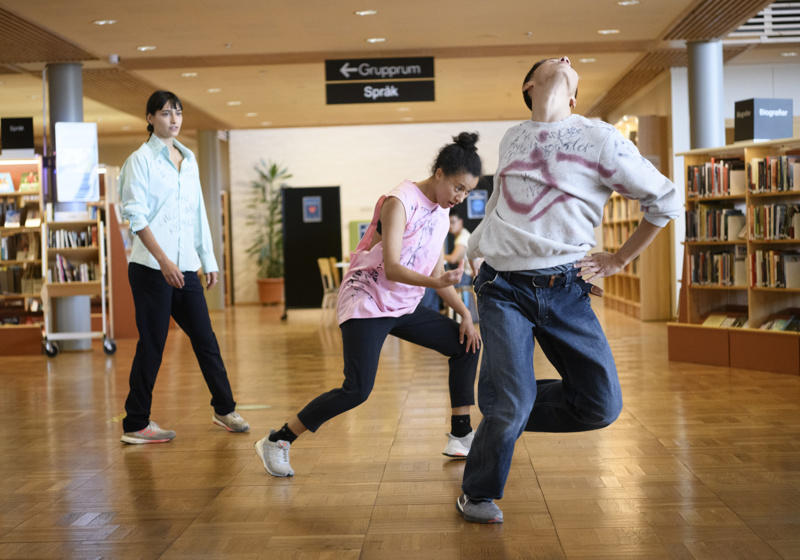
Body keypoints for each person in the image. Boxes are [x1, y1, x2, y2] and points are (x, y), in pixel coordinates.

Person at [456, 57, 681, 523]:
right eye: (551, 62)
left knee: (600, 405)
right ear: (529, 84)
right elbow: (498, 201)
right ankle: (478, 491)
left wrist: (620, 258)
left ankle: (502, 411)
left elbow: (665, 200)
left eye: (570, 64)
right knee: (511, 402)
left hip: (565, 289)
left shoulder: (601, 137)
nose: (564, 59)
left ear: (575, 97)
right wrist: (475, 248)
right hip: (500, 287)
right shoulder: (513, 135)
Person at [255, 132, 484, 477]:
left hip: (401, 305)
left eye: (467, 192)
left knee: (466, 344)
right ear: (440, 173)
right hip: (366, 301)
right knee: (357, 389)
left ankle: (461, 434)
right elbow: (392, 267)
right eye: (458, 187)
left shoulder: (439, 214)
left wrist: (465, 313)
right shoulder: (399, 201)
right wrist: (437, 284)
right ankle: (278, 440)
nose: (460, 198)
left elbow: (436, 272)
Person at [119, 90, 249, 444]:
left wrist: (207, 259)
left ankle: (224, 408)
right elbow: (135, 216)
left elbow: (197, 214)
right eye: (164, 113)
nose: (173, 119)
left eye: (177, 113)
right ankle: (136, 423)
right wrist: (164, 262)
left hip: (186, 268)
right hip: (151, 268)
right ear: (150, 118)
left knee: (205, 339)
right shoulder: (140, 161)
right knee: (153, 343)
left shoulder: (188, 161)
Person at [443, 214, 478, 321]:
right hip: (469, 274)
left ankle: (449, 314)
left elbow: (453, 259)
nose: (450, 226)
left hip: (467, 277)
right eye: (449, 223)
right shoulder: (462, 235)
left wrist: (437, 256)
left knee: (439, 282)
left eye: (453, 222)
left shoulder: (462, 237)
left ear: (460, 221)